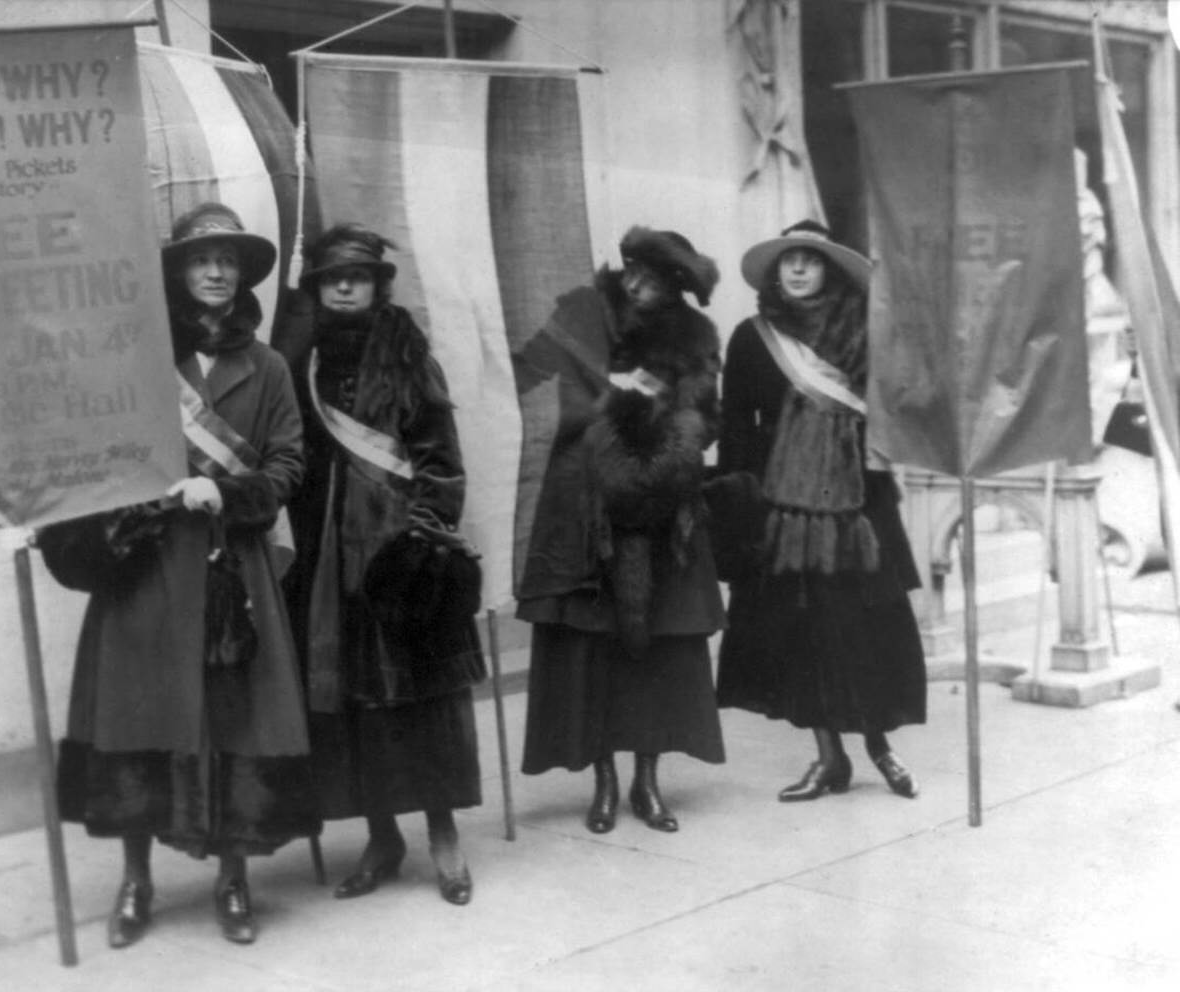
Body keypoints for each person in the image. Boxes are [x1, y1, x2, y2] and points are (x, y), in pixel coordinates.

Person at [40, 202, 318, 948]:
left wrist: (227, 492)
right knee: (137, 717)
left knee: (233, 719)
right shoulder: (132, 360)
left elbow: (290, 462)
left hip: (234, 570)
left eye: (228, 260)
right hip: (147, 567)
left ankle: (233, 882)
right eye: (202, 259)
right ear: (179, 272)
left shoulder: (269, 368)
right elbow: (99, 450)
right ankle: (137, 883)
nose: (217, 272)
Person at [282, 223, 486, 907]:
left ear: (376, 284)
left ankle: (443, 834)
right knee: (356, 702)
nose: (344, 286)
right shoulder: (300, 360)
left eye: (358, 276)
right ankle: (381, 837)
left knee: (422, 697)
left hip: (399, 553)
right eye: (332, 277)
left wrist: (424, 538)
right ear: (317, 288)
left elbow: (440, 456)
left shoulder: (407, 353)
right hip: (331, 557)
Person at [516, 227, 726, 834]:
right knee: (593, 645)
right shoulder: (580, 315)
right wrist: (613, 398)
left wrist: (669, 443)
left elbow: (707, 417)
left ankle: (648, 780)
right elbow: (526, 381)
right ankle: (603, 780)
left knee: (656, 647)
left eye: (655, 280)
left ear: (676, 290)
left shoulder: (695, 341)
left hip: (662, 508)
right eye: (633, 270)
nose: (637, 285)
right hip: (583, 505)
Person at [714, 219, 926, 802]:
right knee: (802, 634)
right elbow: (736, 427)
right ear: (776, 271)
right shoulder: (753, 338)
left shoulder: (869, 332)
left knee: (865, 628)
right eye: (789, 260)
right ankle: (829, 759)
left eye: (811, 259)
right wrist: (741, 506)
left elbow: (898, 410)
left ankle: (880, 748)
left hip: (860, 509)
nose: (799, 269)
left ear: (829, 268)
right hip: (785, 515)